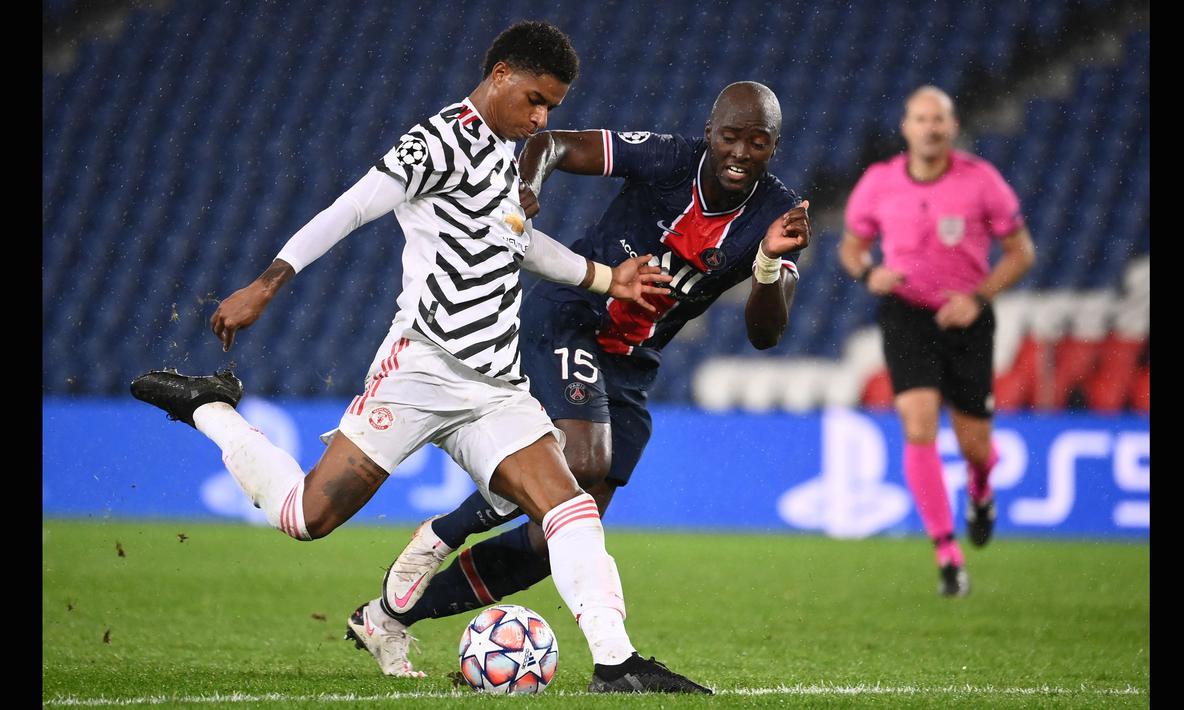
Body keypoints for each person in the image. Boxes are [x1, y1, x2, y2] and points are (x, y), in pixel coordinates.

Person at [130, 21, 710, 694]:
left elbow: (521, 242)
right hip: (420, 370)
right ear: (500, 76)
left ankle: (616, 663)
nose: (542, 118)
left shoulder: (506, 154)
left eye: (552, 107)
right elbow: (350, 209)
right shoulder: (435, 142)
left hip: (495, 387)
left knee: (570, 509)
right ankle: (211, 409)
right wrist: (266, 283)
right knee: (304, 518)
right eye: (535, 100)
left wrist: (609, 279)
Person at [354, 81, 811, 657]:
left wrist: (768, 262)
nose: (741, 153)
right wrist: (525, 183)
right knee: (583, 459)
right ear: (708, 135)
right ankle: (446, 531)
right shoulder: (670, 159)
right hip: (571, 316)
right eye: (729, 137)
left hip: (631, 363)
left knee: (560, 540)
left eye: (758, 142)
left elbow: (765, 334)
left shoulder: (779, 216)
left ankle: (389, 615)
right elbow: (556, 145)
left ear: (775, 146)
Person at [837, 86, 1036, 597]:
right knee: (918, 421)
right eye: (921, 119)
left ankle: (981, 489)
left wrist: (978, 296)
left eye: (939, 120)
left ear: (952, 127)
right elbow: (852, 247)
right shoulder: (879, 182)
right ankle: (947, 553)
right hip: (907, 314)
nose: (930, 128)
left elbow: (1020, 252)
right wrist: (867, 273)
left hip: (966, 318)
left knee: (976, 446)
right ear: (906, 127)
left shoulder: (981, 180)